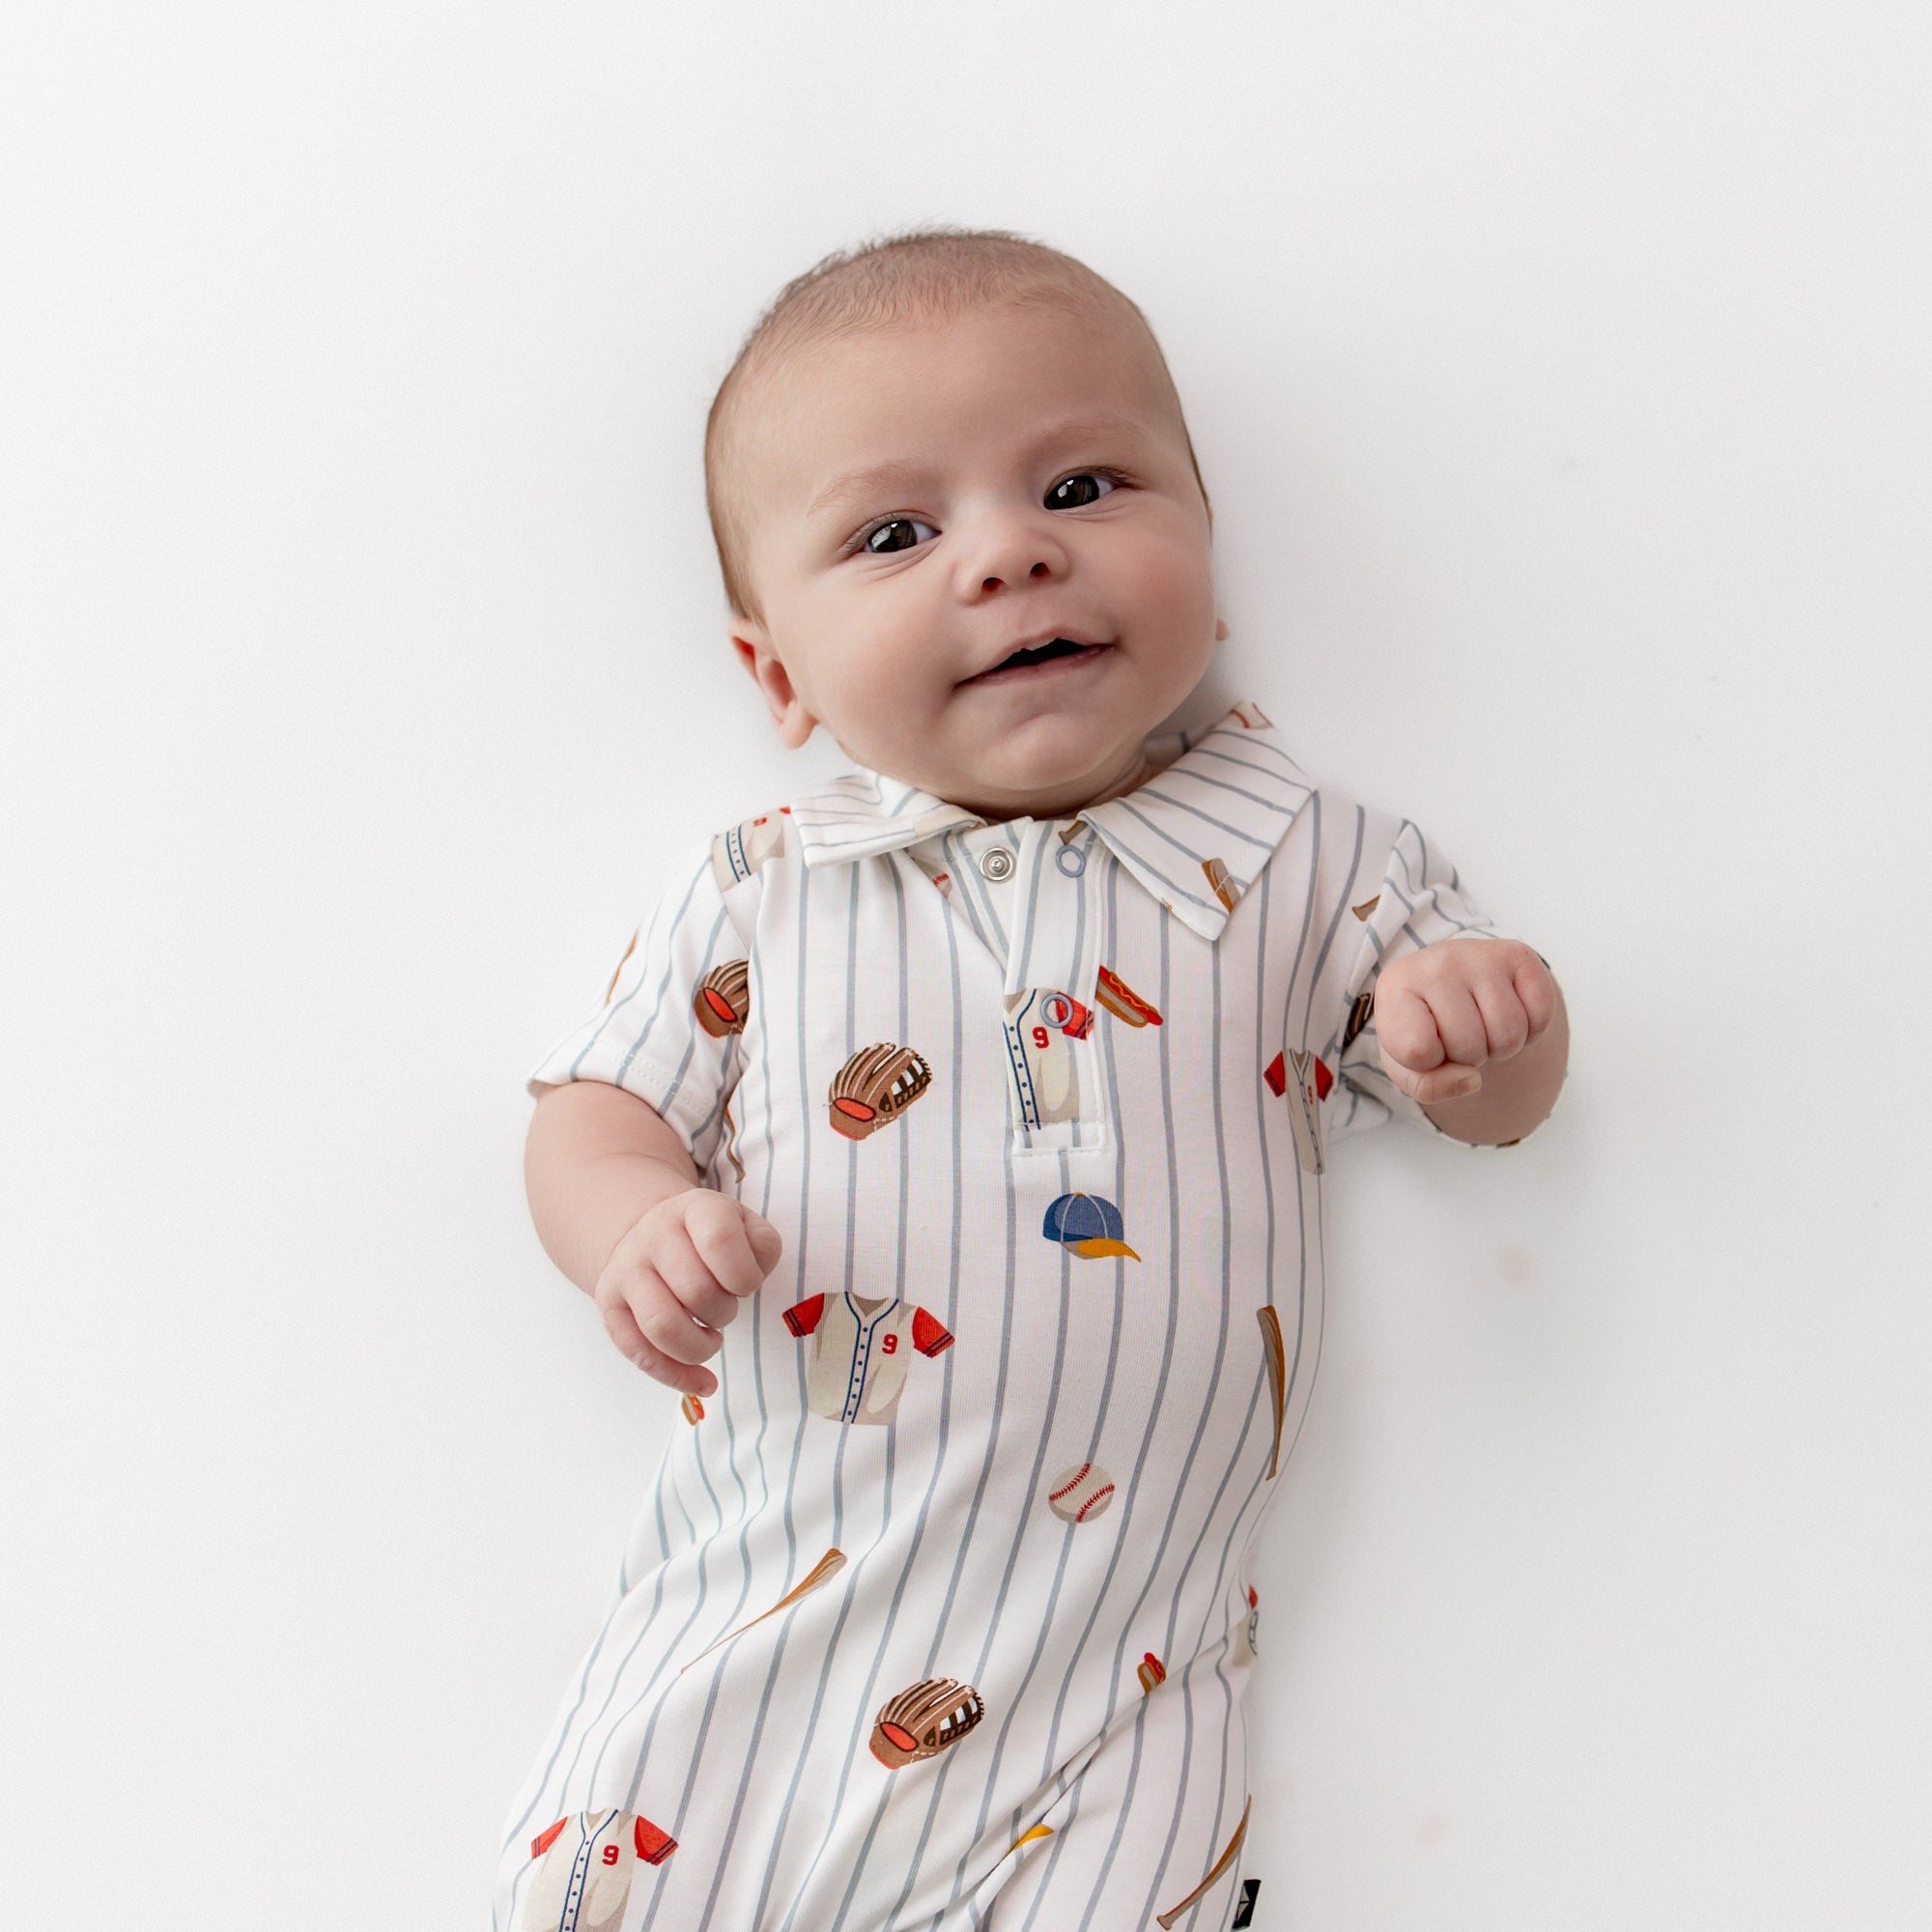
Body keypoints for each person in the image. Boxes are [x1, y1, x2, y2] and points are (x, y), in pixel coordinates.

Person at [492, 228, 1569, 1932]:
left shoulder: (1306, 857)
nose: (1010, 556)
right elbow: (593, 1109)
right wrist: (632, 1222)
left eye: (1080, 487)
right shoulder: (772, 888)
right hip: (767, 1634)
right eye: (895, 534)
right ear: (778, 676)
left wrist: (1487, 1031)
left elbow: (1497, 1113)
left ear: (1209, 557)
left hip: (1126, 1684)